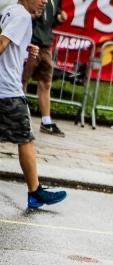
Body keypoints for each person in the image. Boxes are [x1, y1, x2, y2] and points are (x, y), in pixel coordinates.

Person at [1, 0, 67, 209]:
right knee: (26, 138)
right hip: (8, 93)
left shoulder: (10, 11)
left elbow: (7, 38)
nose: (45, 2)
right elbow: (2, 43)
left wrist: (23, 45)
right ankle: (35, 192)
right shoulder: (21, 15)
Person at [21, 0, 67, 137]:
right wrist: (33, 16)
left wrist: (59, 19)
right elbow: (23, 12)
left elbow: (51, 21)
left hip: (46, 45)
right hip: (31, 42)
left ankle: (46, 121)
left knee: (45, 82)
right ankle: (20, 118)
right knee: (22, 81)